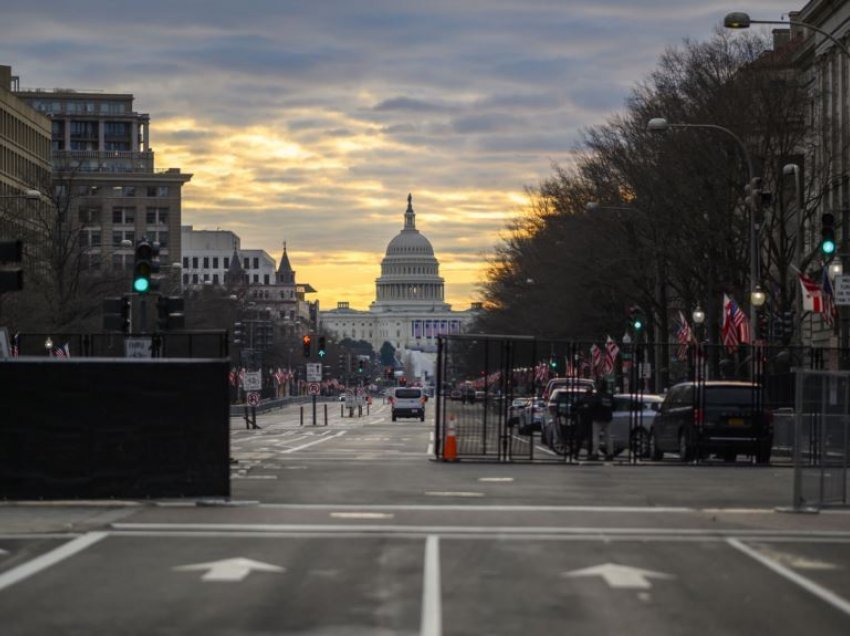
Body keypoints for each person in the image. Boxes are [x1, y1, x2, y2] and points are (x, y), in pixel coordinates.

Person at [590, 384, 614, 460]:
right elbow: (614, 406)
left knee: (596, 437)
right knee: (608, 437)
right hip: (608, 418)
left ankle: (594, 453)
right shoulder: (609, 396)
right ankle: (610, 454)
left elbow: (592, 405)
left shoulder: (597, 396)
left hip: (598, 418)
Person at [574, 387, 596, 460]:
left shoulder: (582, 399)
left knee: (580, 439)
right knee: (590, 439)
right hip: (591, 421)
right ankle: (589, 454)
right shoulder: (593, 400)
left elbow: (574, 407)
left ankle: (576, 453)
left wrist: (580, 409)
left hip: (583, 421)